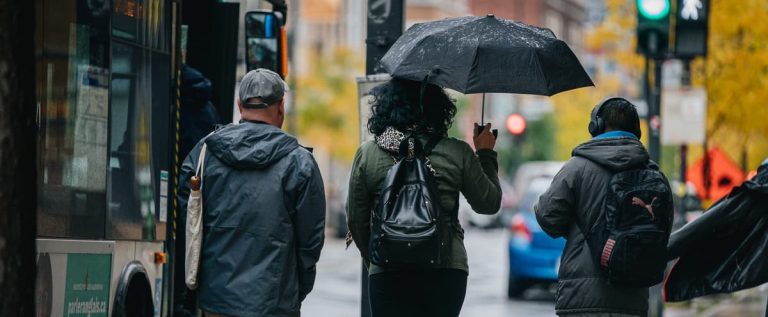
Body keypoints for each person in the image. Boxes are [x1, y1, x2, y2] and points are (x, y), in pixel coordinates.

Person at [346, 77, 502, 317]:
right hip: (445, 268)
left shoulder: (368, 154)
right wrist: (485, 154)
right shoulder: (456, 152)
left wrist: (377, 258)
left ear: (388, 106)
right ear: (439, 109)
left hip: (388, 271)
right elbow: (488, 204)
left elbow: (356, 220)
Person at [177, 69, 326, 317]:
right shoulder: (300, 163)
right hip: (274, 302)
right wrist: (297, 290)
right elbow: (310, 243)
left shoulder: (205, 152)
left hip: (216, 299)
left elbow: (189, 217)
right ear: (281, 107)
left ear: (239, 105)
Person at [535, 97, 668, 316]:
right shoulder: (654, 175)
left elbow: (548, 218)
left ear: (595, 126)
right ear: (637, 131)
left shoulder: (576, 168)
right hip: (633, 299)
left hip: (581, 299)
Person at [175, 63, 222, 317]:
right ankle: (188, 298)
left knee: (188, 235)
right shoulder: (208, 108)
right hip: (203, 190)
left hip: (188, 189)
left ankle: (185, 298)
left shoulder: (174, 104)